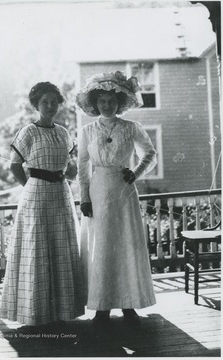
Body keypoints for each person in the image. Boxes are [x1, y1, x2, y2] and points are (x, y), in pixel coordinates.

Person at [0, 82, 84, 329]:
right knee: (37, 249)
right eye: (44, 102)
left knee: (60, 247)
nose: (50, 106)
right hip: (35, 193)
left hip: (60, 194)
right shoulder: (28, 132)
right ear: (36, 105)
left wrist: (70, 174)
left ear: (59, 104)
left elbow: (70, 167)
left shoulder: (63, 132)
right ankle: (36, 312)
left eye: (54, 102)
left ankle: (61, 310)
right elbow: (15, 166)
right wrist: (30, 186)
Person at [76, 71, 157, 327]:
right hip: (98, 190)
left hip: (123, 191)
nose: (107, 105)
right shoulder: (87, 130)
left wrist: (136, 172)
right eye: (102, 101)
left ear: (120, 103)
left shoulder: (131, 128)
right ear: (96, 104)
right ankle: (101, 307)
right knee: (102, 247)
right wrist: (84, 197)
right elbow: (81, 166)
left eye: (112, 101)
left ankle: (128, 304)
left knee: (125, 245)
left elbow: (150, 153)